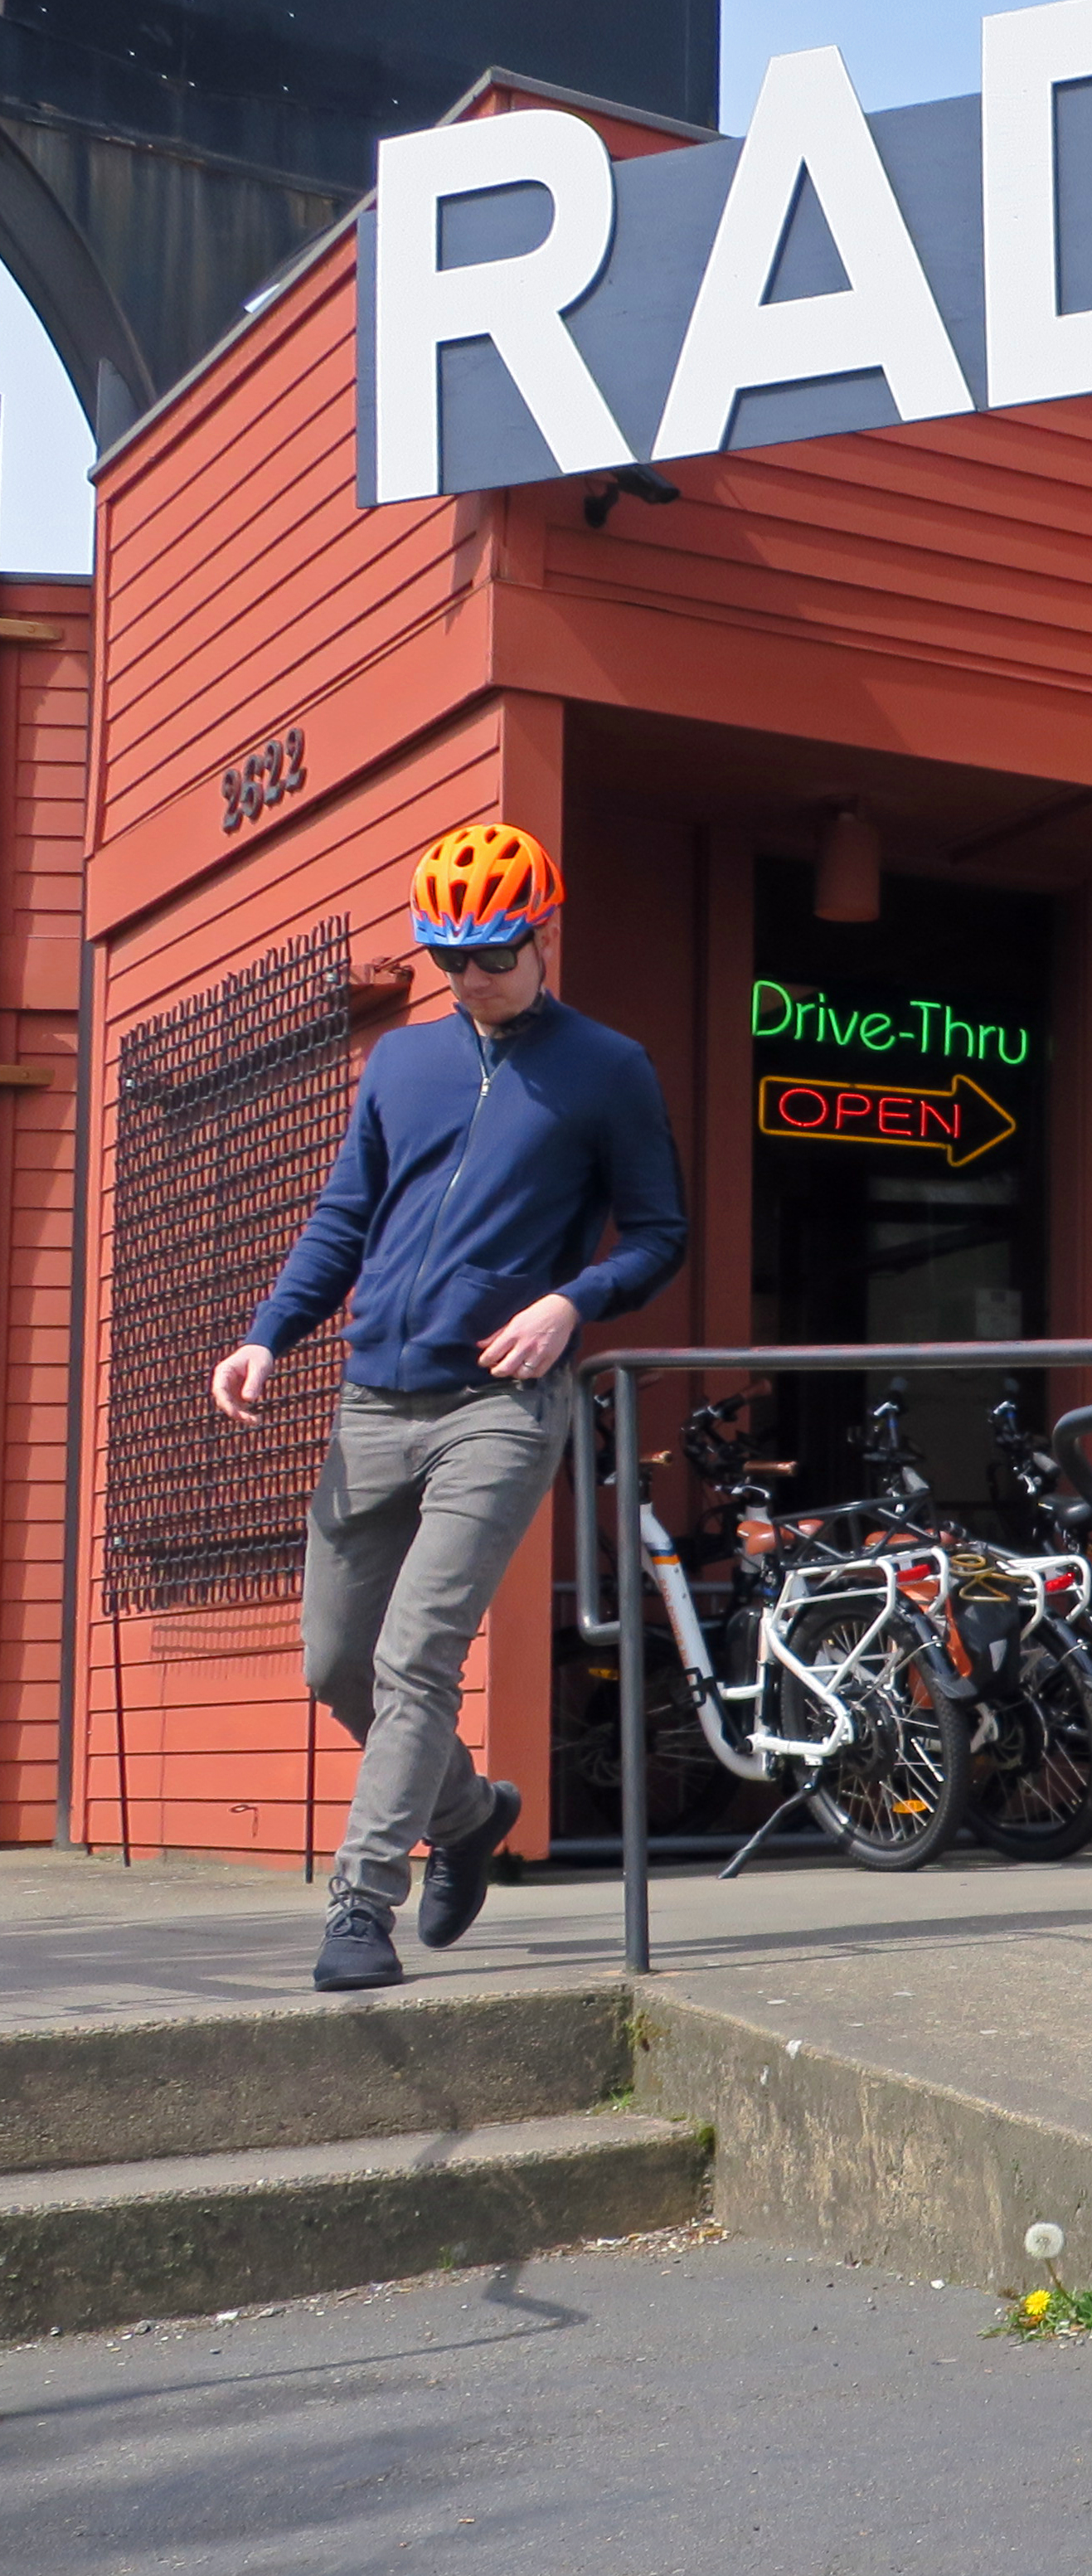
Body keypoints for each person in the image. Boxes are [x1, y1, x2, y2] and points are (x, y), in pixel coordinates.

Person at [211, 823, 687, 1992]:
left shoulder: (607, 1067)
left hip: (503, 1405)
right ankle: (471, 1813)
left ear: (544, 933)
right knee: (337, 1664)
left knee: (421, 1652)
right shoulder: (402, 1065)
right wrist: (269, 1334)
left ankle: (362, 1906)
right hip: (373, 1399)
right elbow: (342, 1219)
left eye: (492, 952)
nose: (470, 976)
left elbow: (661, 1233)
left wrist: (574, 1302)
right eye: (446, 957)